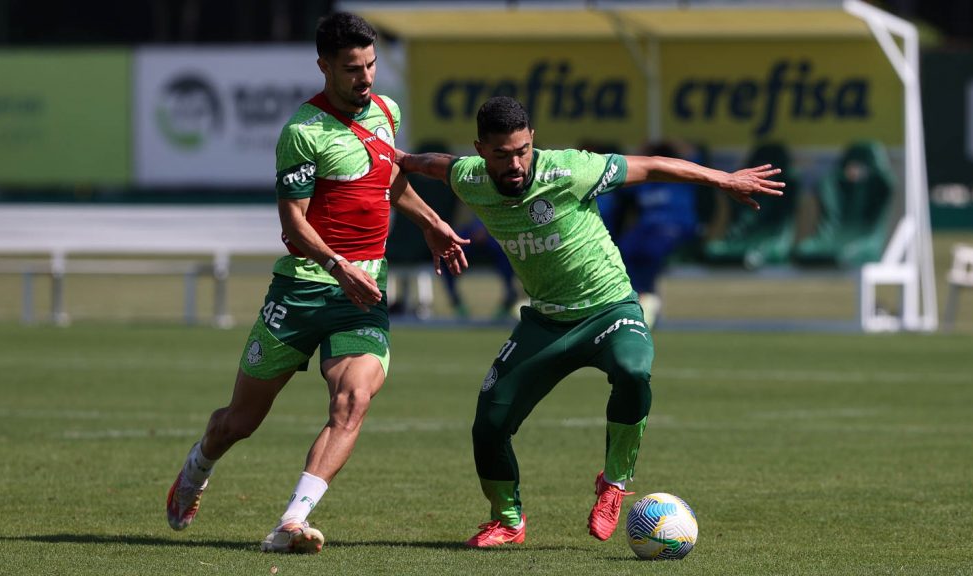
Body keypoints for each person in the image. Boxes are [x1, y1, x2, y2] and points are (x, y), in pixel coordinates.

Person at [396, 96, 783, 548]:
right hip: (546, 320)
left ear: (533, 140)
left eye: (522, 150)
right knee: (489, 423)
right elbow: (422, 164)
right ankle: (507, 521)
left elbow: (653, 165)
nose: (516, 163)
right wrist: (399, 168)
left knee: (634, 370)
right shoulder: (469, 177)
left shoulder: (570, 169)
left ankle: (615, 484)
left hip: (610, 308)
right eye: (502, 155)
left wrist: (722, 179)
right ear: (481, 150)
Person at [165, 12, 468, 554]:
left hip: (363, 294)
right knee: (239, 421)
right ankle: (196, 468)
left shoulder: (387, 113)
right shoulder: (301, 132)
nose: (366, 77)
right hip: (303, 289)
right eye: (353, 68)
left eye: (371, 65)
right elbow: (293, 224)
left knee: (353, 400)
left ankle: (291, 521)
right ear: (324, 66)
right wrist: (338, 266)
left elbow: (388, 179)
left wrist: (430, 221)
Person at [596, 140, 703, 327]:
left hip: (675, 226)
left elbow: (695, 153)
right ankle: (636, 298)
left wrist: (669, 145)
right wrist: (645, 152)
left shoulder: (682, 177)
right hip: (647, 227)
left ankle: (646, 296)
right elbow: (627, 175)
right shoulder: (645, 182)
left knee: (651, 249)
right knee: (624, 249)